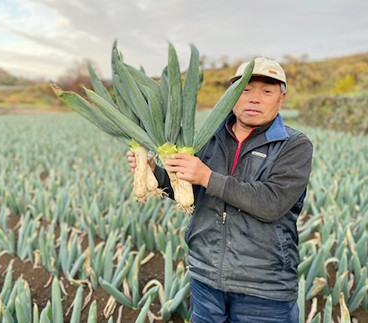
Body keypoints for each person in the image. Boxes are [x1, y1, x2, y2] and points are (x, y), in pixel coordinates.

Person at [127, 57, 313, 322]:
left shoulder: (293, 145)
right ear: (230, 97)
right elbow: (186, 188)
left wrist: (207, 177)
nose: (254, 98)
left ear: (281, 98)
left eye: (267, 91)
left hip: (263, 288)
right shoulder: (206, 138)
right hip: (206, 278)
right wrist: (152, 171)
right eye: (245, 90)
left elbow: (272, 203)